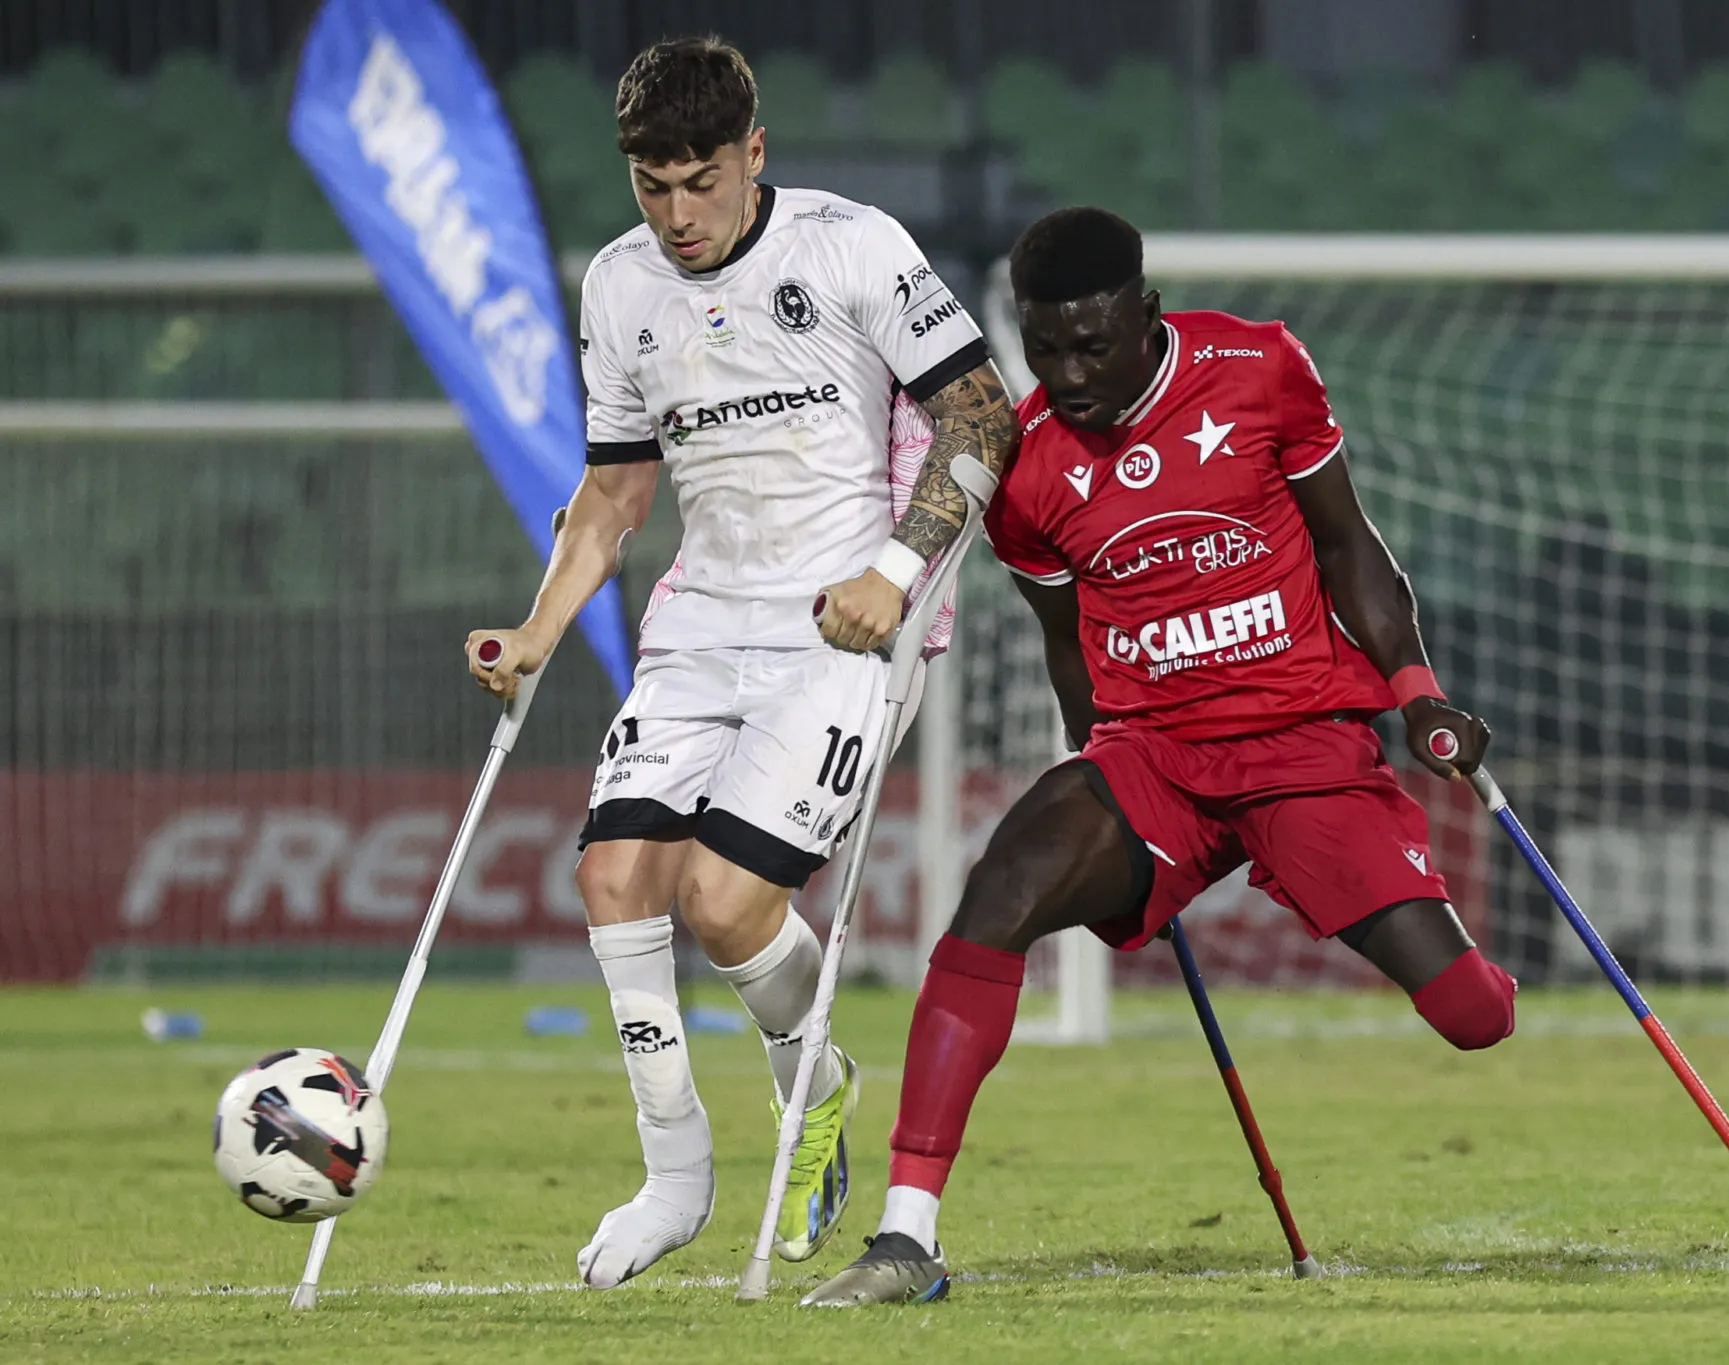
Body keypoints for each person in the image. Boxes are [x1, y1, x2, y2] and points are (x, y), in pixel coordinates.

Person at [802, 207, 1516, 1308]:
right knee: (998, 890)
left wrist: (1418, 693)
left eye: (1092, 345)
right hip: (1154, 760)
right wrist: (1111, 803)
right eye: (1044, 350)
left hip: (1303, 750)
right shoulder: (1029, 468)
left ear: (1145, 313)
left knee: (1474, 1019)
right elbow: (1064, 641)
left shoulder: (1259, 365)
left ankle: (1474, 976)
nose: (1068, 374)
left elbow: (1347, 546)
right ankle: (906, 1238)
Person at [464, 37, 1017, 1289]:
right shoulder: (617, 287)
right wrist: (536, 632)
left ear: (752, 154)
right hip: (700, 620)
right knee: (612, 878)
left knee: (722, 905)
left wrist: (892, 570)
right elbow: (612, 491)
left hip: (839, 624)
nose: (676, 216)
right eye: (651, 187)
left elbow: (984, 414)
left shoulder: (849, 245)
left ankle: (812, 1083)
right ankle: (675, 1176)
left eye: (699, 183)